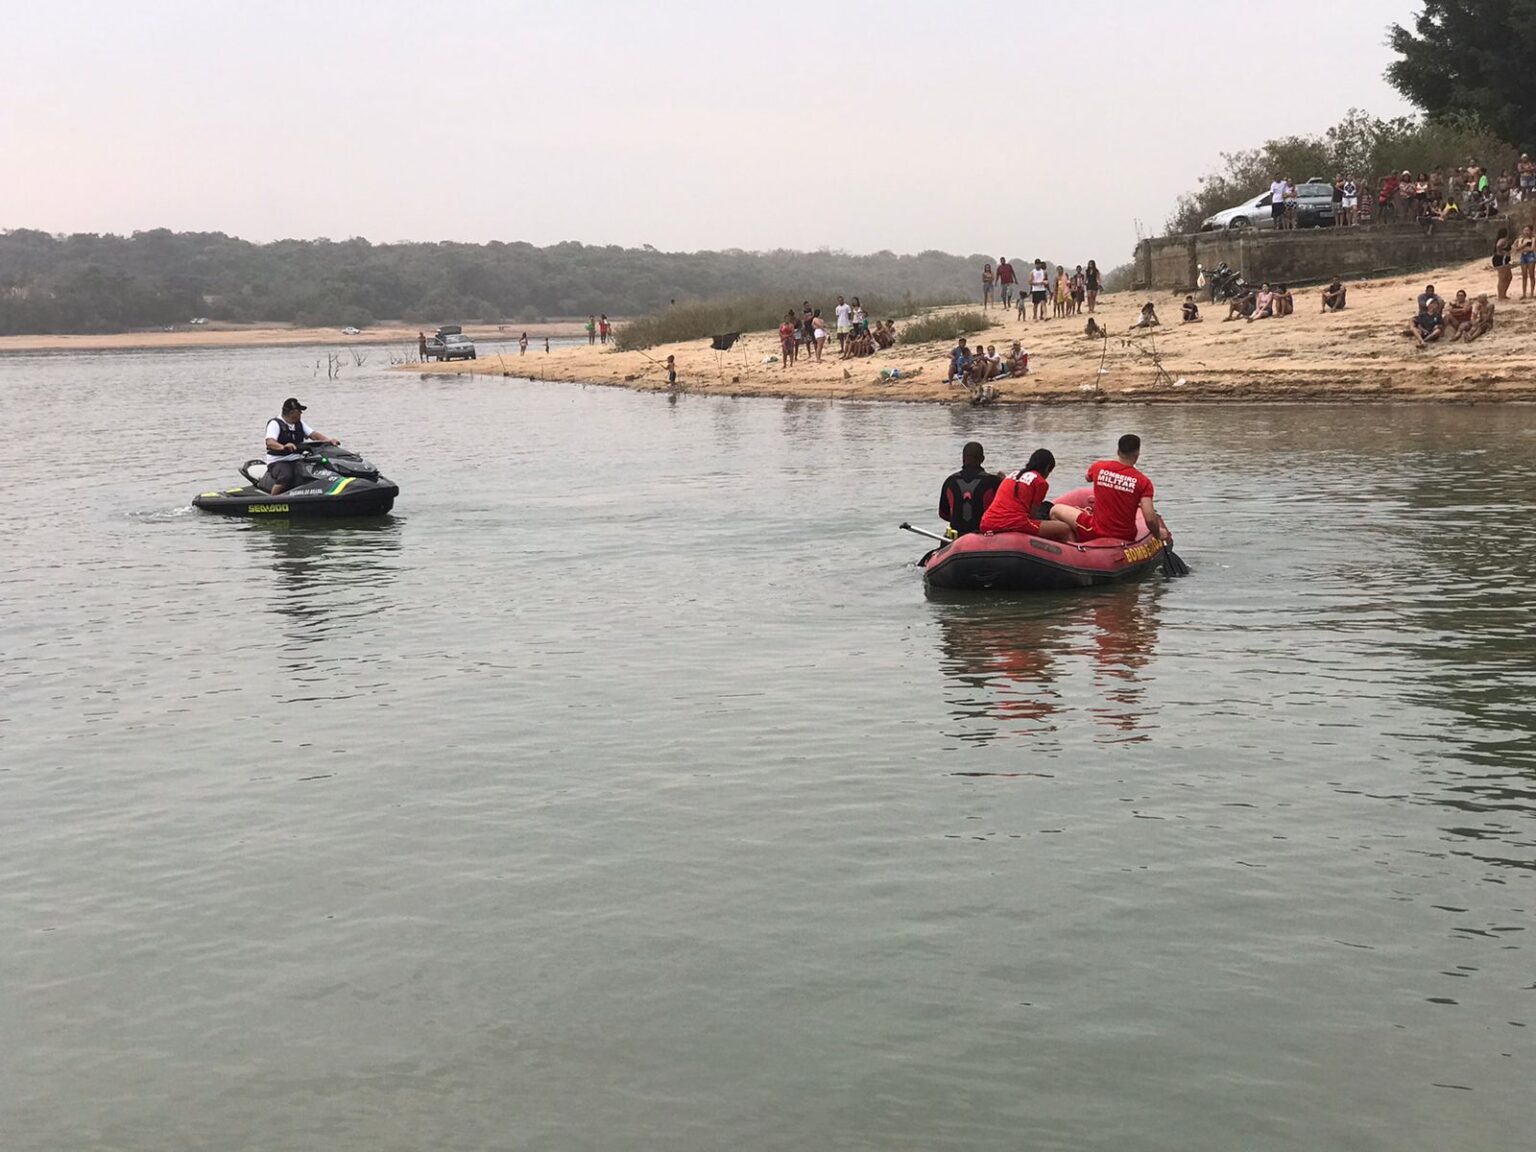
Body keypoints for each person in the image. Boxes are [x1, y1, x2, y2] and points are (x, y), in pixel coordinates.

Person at [1049, 434, 1171, 544]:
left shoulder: (1099, 467)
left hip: (1095, 530)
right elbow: (1150, 518)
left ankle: (1074, 545)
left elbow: (1087, 477)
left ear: (1118, 451)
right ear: (1137, 453)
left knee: (1055, 510)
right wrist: (1157, 534)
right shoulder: (1143, 482)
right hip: (1126, 535)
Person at [979, 449, 1074, 540]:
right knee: (1065, 529)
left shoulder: (1012, 475)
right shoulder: (1040, 482)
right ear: (1047, 468)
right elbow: (1032, 515)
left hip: (987, 522)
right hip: (1014, 523)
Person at [264, 398, 338, 496]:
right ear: (292, 413)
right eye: (300, 412)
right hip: (279, 461)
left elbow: (313, 435)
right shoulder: (275, 424)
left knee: (318, 470)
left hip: (297, 459)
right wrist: (283, 447)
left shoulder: (299, 423)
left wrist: (329, 441)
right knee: (286, 476)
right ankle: (271, 501)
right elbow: (270, 442)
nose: (301, 414)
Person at [938, 441, 1001, 537]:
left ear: (963, 459)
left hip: (957, 538)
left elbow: (943, 514)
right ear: (982, 459)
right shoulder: (994, 481)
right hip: (984, 536)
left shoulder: (950, 481)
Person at [1519, 225, 1536, 299]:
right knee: (1524, 276)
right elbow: (1518, 248)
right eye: (1525, 230)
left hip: (1530, 256)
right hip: (1523, 257)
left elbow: (1532, 248)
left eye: (1527, 230)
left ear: (1530, 231)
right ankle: (1524, 293)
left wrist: (1523, 248)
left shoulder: (1533, 239)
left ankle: (1532, 293)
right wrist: (1525, 244)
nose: (1526, 232)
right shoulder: (1521, 239)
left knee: (1531, 274)